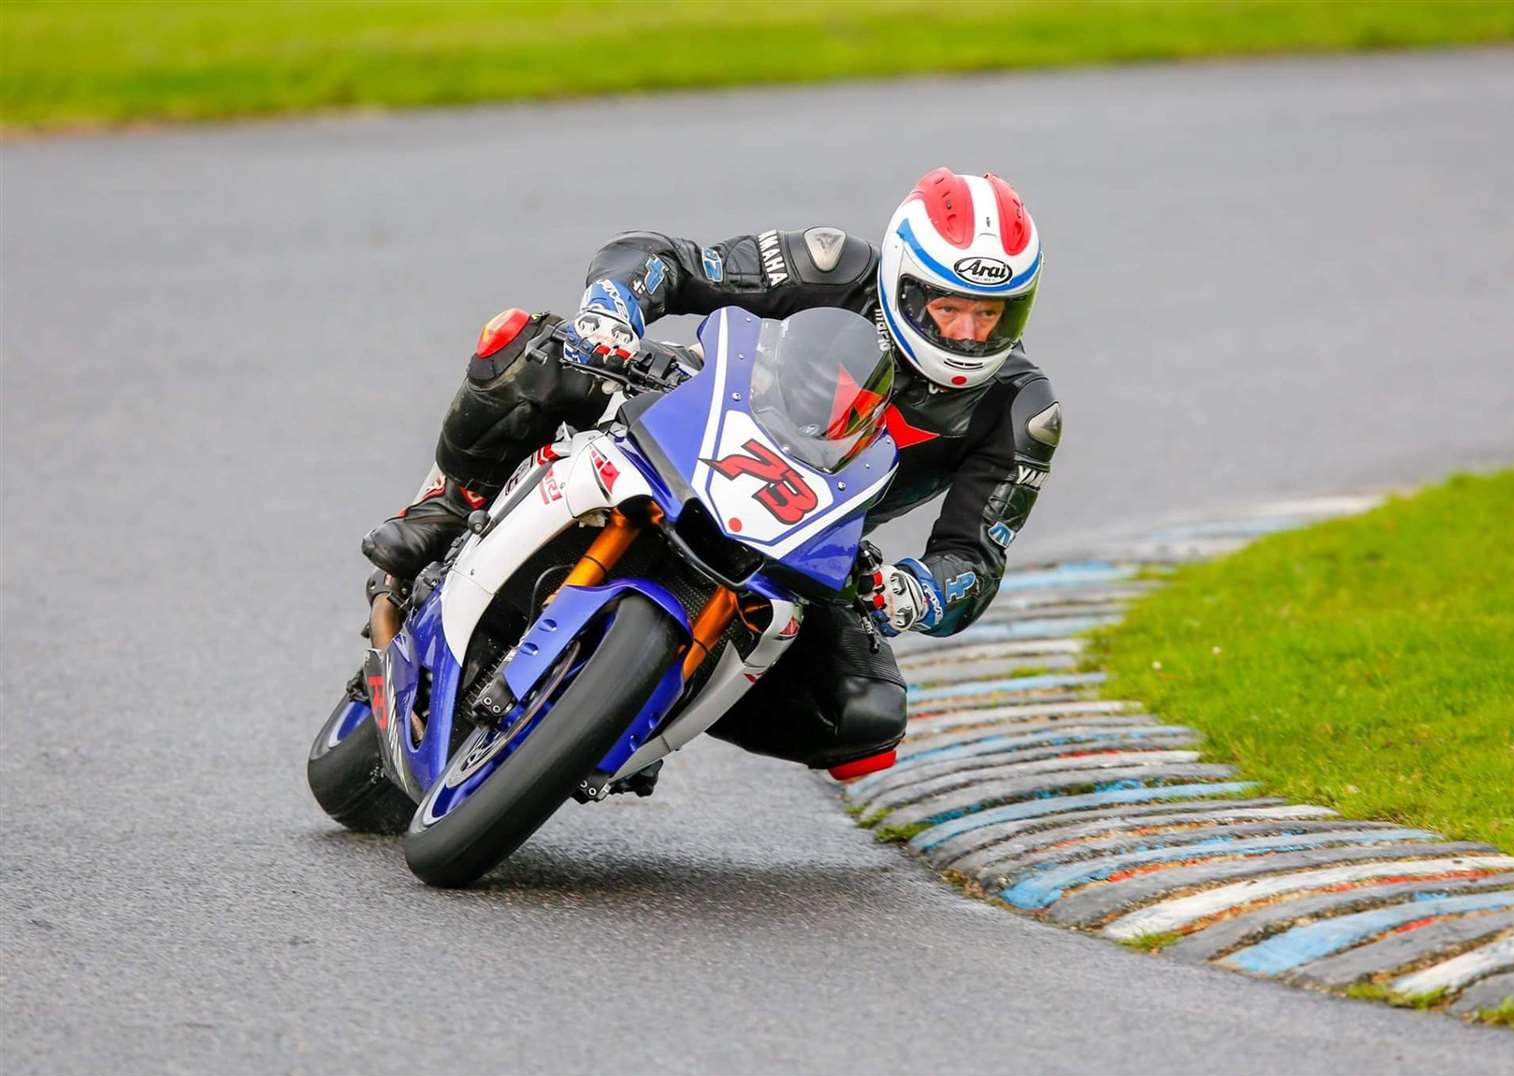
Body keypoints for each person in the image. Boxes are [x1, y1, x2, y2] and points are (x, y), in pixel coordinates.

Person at [362, 168, 1062, 780]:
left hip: (810, 544)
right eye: (948, 308)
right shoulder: (830, 265)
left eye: (989, 314)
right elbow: (665, 258)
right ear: (904, 283)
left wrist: (916, 594)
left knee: (864, 719)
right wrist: (615, 308)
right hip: (688, 425)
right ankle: (448, 505)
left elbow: (973, 558)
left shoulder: (1020, 411)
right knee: (529, 350)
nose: (969, 334)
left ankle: (637, 710)